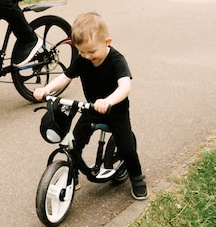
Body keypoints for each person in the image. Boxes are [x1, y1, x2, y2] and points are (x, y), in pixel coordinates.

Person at [33, 12, 148, 200]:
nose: (86, 56)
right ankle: (72, 174)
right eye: (81, 52)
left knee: (127, 148)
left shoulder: (117, 60)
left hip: (115, 111)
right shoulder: (83, 59)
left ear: (107, 42)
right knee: (74, 144)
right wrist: (47, 88)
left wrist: (108, 101)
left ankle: (137, 179)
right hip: (91, 110)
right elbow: (66, 76)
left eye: (91, 52)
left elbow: (125, 86)